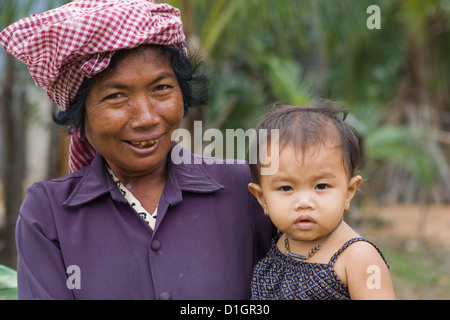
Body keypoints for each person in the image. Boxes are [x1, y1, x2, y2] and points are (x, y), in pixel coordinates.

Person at [0, 0, 273, 299]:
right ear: (80, 115)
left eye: (161, 89)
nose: (146, 118)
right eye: (116, 96)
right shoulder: (48, 212)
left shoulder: (247, 187)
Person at [247, 102, 396, 300]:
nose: (304, 202)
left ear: (349, 191)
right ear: (262, 198)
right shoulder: (281, 242)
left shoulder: (360, 258)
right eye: (285, 188)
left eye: (321, 186)